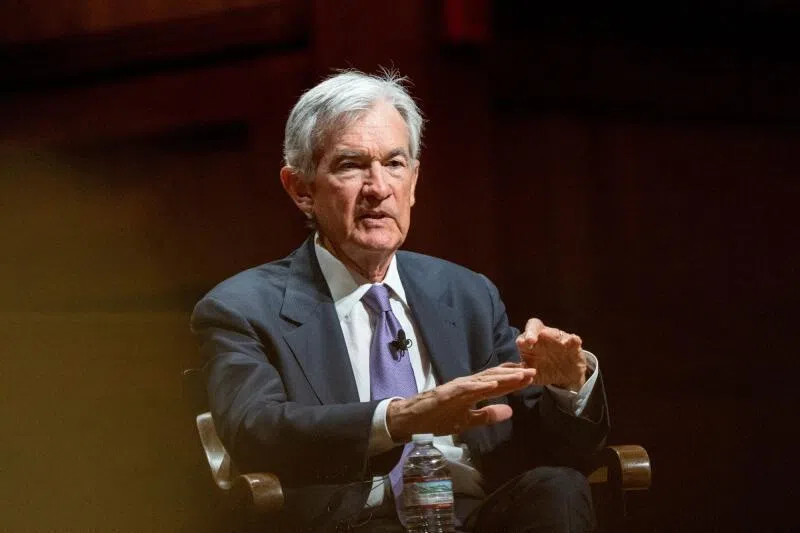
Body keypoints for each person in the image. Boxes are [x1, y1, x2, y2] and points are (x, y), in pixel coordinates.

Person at [191, 69, 609, 533]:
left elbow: (561, 447)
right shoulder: (242, 308)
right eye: (351, 165)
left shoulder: (466, 293)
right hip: (354, 520)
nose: (378, 187)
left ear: (413, 181)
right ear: (301, 189)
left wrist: (567, 387)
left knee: (560, 487)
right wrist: (397, 418)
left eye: (394, 164)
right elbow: (256, 431)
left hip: (475, 514)